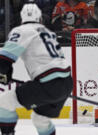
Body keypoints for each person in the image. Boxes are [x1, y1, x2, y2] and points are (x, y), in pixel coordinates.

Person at [0, 3, 73, 135]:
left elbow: (5, 58)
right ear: (40, 18)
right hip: (67, 83)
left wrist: (3, 72)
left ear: (22, 19)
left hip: (48, 84)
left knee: (4, 102)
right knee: (40, 119)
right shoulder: (48, 33)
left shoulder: (21, 30)